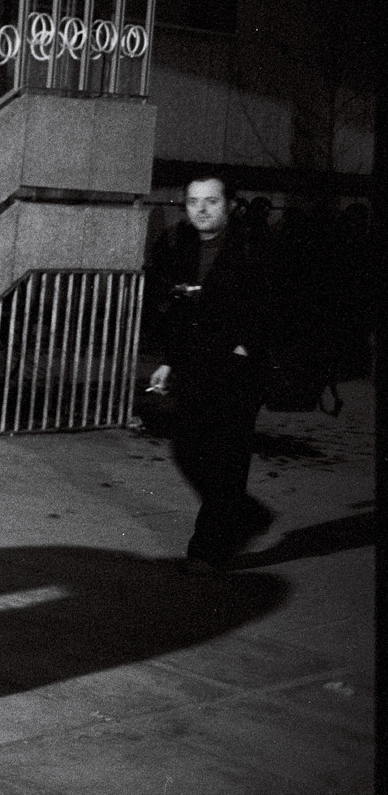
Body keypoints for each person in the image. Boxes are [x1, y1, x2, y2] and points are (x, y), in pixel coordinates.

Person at [146, 174, 277, 572]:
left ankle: (209, 548)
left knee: (227, 456)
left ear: (230, 204)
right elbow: (172, 308)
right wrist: (169, 359)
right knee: (188, 447)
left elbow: (278, 303)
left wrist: (245, 347)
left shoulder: (254, 245)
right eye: (193, 201)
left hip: (238, 367)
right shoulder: (180, 244)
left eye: (211, 201)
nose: (201, 210)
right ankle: (242, 514)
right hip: (194, 363)